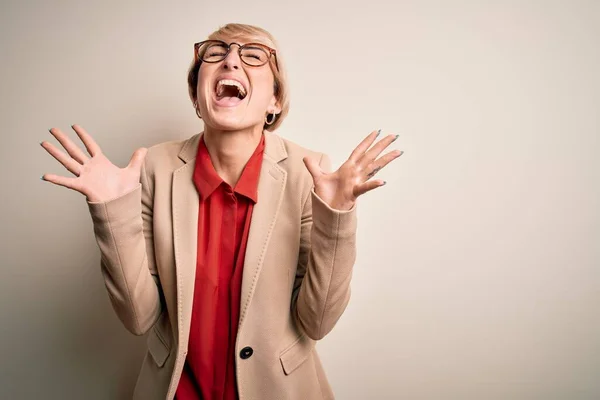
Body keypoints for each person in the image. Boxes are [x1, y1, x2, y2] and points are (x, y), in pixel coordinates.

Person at [40, 23, 402, 400]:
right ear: (197, 98)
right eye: (215, 53)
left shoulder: (309, 171)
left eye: (253, 55)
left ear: (275, 101)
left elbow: (317, 321)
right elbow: (139, 317)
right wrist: (112, 213)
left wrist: (337, 216)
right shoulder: (156, 167)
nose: (230, 61)